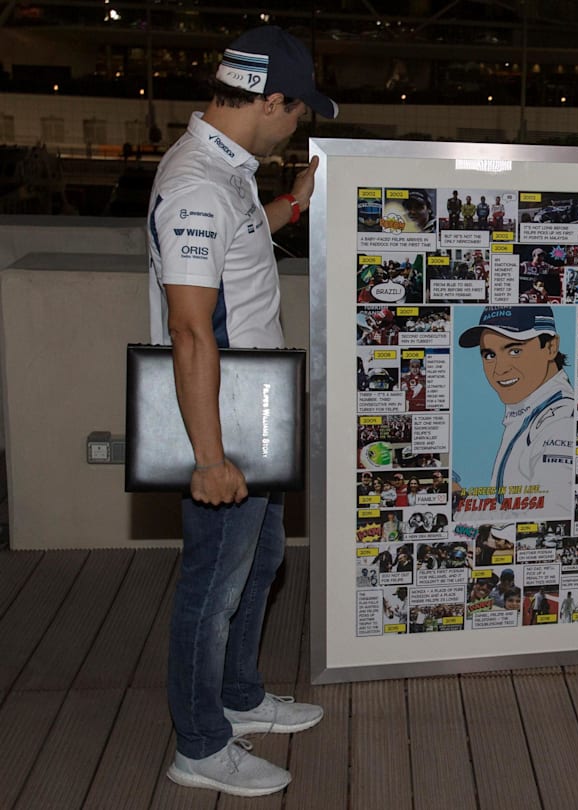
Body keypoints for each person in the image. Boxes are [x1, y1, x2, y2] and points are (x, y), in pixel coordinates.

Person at [146, 25, 335, 797]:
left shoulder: (225, 177)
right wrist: (210, 457)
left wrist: (292, 202)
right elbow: (191, 327)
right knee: (212, 588)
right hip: (222, 417)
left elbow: (242, 247)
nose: (301, 123)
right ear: (272, 99)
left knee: (259, 562)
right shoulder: (197, 183)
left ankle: (239, 695)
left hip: (254, 404)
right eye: (301, 111)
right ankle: (199, 746)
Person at [458, 306, 575, 503]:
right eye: (489, 355)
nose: (499, 369)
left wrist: (459, 505)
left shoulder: (561, 421)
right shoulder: (530, 408)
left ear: (550, 347)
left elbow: (551, 515)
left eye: (514, 350)